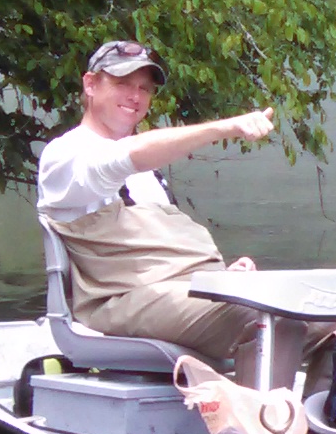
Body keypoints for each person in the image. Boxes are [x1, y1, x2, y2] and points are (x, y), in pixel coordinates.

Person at [36, 39, 292, 370]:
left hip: (178, 293)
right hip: (119, 302)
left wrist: (219, 276)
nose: (135, 95)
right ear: (90, 84)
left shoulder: (148, 174)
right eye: (122, 83)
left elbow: (160, 254)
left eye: (144, 88)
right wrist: (226, 127)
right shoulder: (67, 155)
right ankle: (264, 419)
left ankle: (330, 417)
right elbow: (122, 159)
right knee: (267, 315)